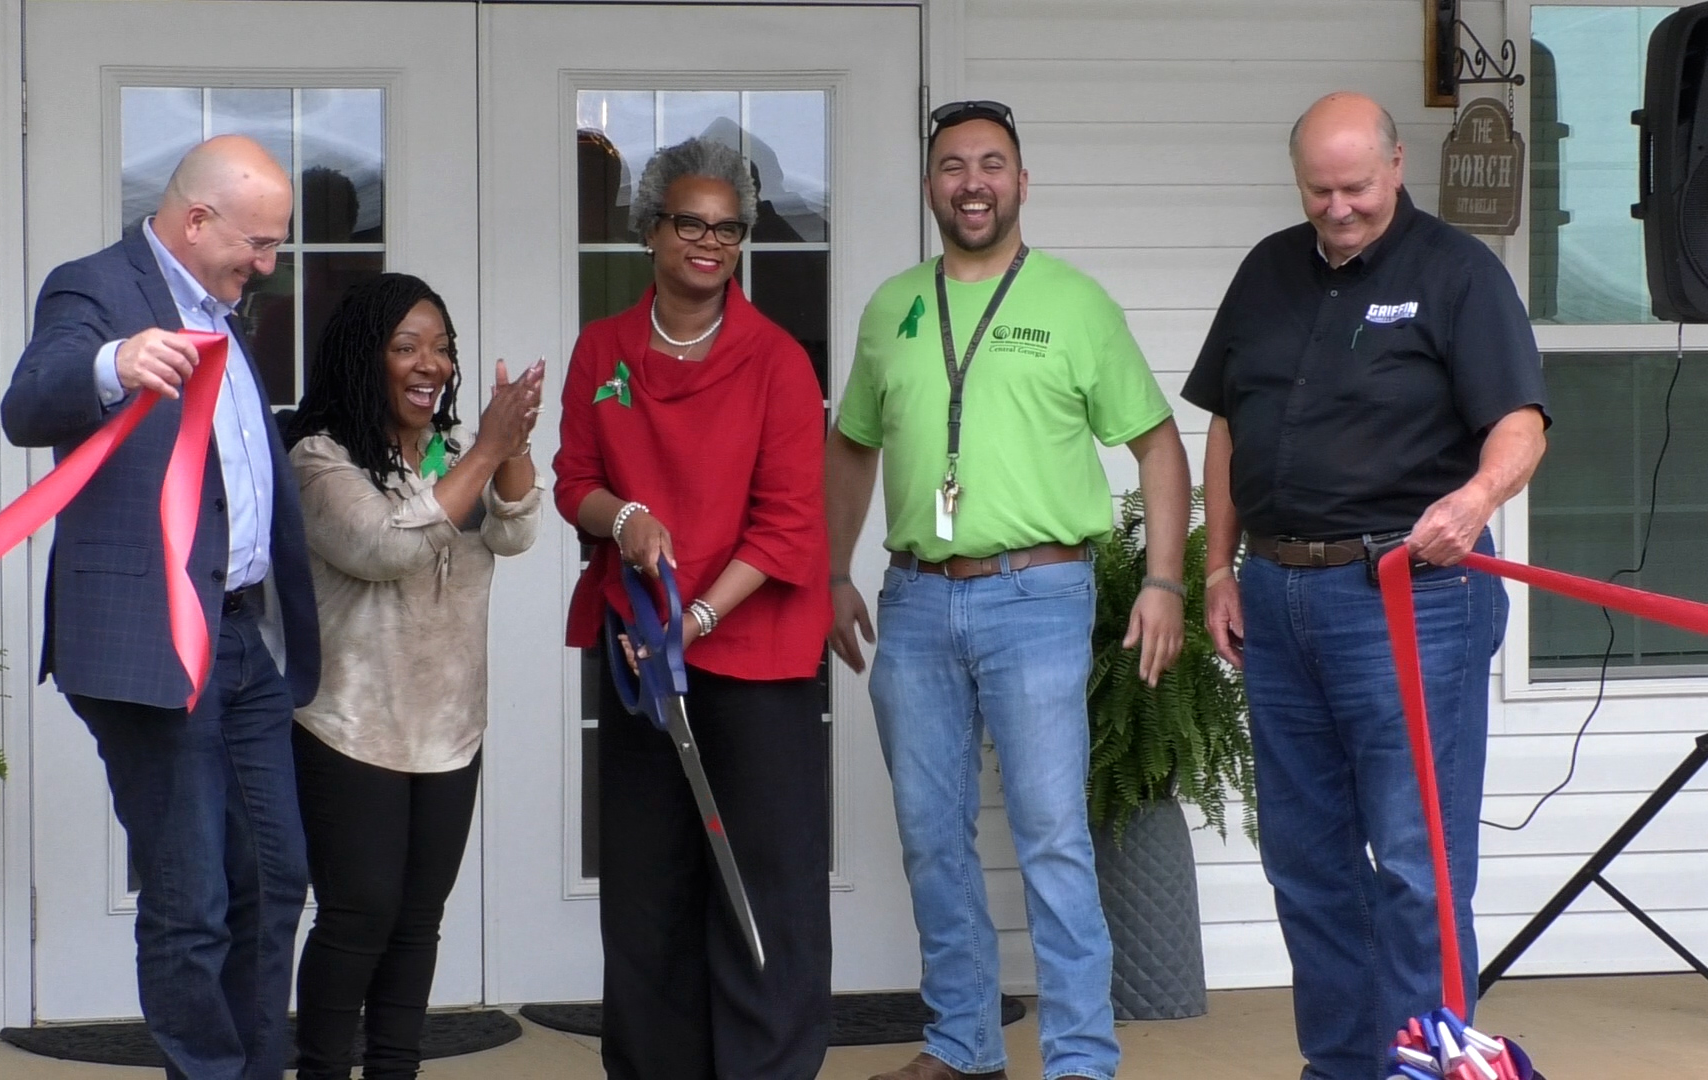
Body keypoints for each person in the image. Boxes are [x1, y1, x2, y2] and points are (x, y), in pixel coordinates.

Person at [1179, 92, 1549, 1080]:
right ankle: (1343, 1065)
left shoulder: (1458, 273)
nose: (1338, 207)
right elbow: (1224, 425)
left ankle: (1424, 1067)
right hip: (1278, 596)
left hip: (1410, 597)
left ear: (1396, 168)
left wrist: (1472, 501)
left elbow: (1522, 424)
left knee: (1419, 865)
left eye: (1356, 187)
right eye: (1318, 189)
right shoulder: (1266, 270)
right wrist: (1218, 566)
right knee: (1305, 861)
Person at [828, 100, 1191, 1080]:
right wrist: (831, 569)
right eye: (953, 166)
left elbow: (1159, 445)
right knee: (930, 840)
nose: (973, 181)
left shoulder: (1075, 304)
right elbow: (852, 445)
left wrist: (1163, 579)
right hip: (913, 602)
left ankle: (1080, 1059)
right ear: (930, 187)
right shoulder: (891, 307)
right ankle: (961, 1044)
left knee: (1053, 842)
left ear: (1023, 183)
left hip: (1038, 597)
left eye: (992, 163)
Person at [0, 135, 320, 1080]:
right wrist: (111, 363)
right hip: (149, 640)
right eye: (256, 245)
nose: (266, 266)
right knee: (191, 900)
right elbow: (28, 406)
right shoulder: (93, 289)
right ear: (195, 221)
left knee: (274, 875)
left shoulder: (222, 304)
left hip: (241, 638)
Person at [552, 136, 833, 1080]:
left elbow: (790, 526)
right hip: (637, 655)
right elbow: (575, 483)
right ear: (652, 231)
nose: (710, 242)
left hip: (751, 656)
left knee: (765, 884)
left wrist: (697, 620)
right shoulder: (603, 349)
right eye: (690, 223)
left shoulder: (778, 361)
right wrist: (627, 516)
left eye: (729, 228)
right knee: (647, 890)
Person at [280, 273, 543, 1080]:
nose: (431, 363)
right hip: (351, 728)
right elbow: (385, 546)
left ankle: (396, 1071)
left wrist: (513, 446)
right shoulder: (319, 459)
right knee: (360, 917)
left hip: (448, 730)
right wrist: (491, 450)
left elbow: (518, 531)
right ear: (367, 358)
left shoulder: (453, 455)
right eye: (407, 347)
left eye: (442, 347)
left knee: (417, 923)